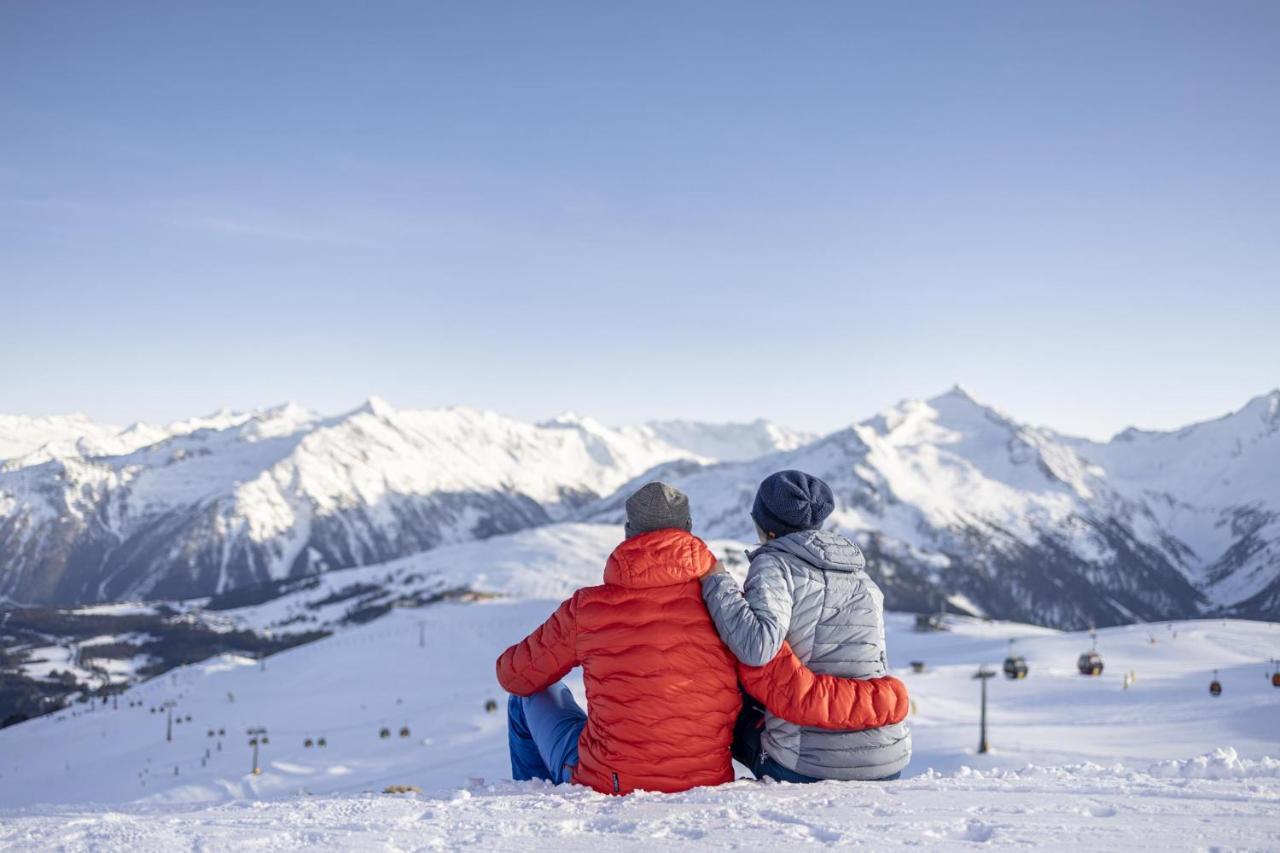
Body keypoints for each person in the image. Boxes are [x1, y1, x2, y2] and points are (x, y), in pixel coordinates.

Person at [496, 481, 908, 795]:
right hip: (707, 780)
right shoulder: (723, 605)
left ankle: (537, 802)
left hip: (610, 778)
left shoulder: (587, 607)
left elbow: (514, 676)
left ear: (627, 533)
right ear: (689, 529)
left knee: (527, 698)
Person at [702, 469, 912, 783]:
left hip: (806, 765)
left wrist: (717, 584)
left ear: (767, 527)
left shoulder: (774, 564)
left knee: (724, 701)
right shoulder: (863, 579)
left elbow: (757, 647)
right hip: (888, 759)